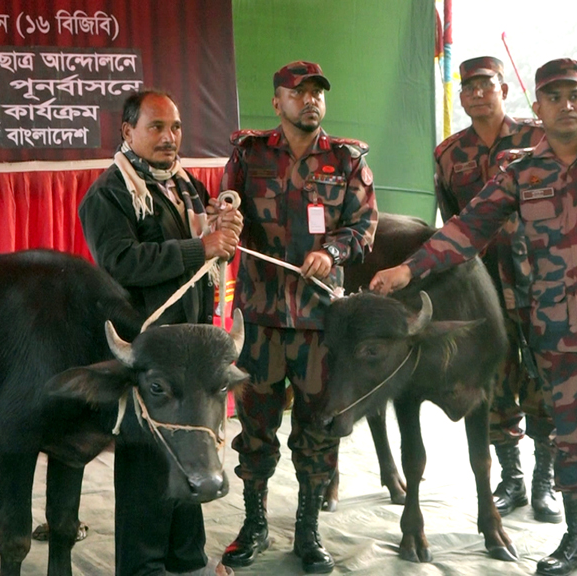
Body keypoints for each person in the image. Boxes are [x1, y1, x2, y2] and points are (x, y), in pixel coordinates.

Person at [370, 58, 577, 576]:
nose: (565, 105)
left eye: (574, 95)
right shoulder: (520, 173)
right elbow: (466, 231)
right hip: (553, 332)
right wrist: (407, 270)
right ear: (537, 107)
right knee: (570, 443)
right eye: (553, 97)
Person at [219, 60, 378, 575]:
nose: (310, 100)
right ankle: (255, 524)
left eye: (317, 93)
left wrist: (332, 252)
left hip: (319, 323)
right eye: (298, 92)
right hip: (261, 320)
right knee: (256, 428)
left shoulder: (348, 160)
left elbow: (363, 226)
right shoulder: (248, 154)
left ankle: (307, 530)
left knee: (317, 432)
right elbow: (227, 210)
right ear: (277, 102)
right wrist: (226, 222)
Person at [78, 90, 241, 576]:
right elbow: (120, 262)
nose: (169, 138)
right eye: (156, 127)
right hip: (149, 357)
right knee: (148, 463)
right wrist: (201, 246)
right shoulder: (109, 193)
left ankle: (187, 560)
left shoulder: (185, 185)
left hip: (189, 353)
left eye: (175, 128)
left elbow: (198, 247)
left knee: (192, 454)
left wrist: (220, 232)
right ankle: (144, 568)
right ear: (127, 131)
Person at [434, 56, 560, 524]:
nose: (477, 94)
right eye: (468, 88)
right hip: (483, 287)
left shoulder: (538, 138)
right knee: (493, 380)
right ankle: (512, 479)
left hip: (542, 282)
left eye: (486, 85)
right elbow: (453, 222)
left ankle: (546, 482)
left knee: (547, 379)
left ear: (503, 90)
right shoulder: (448, 154)